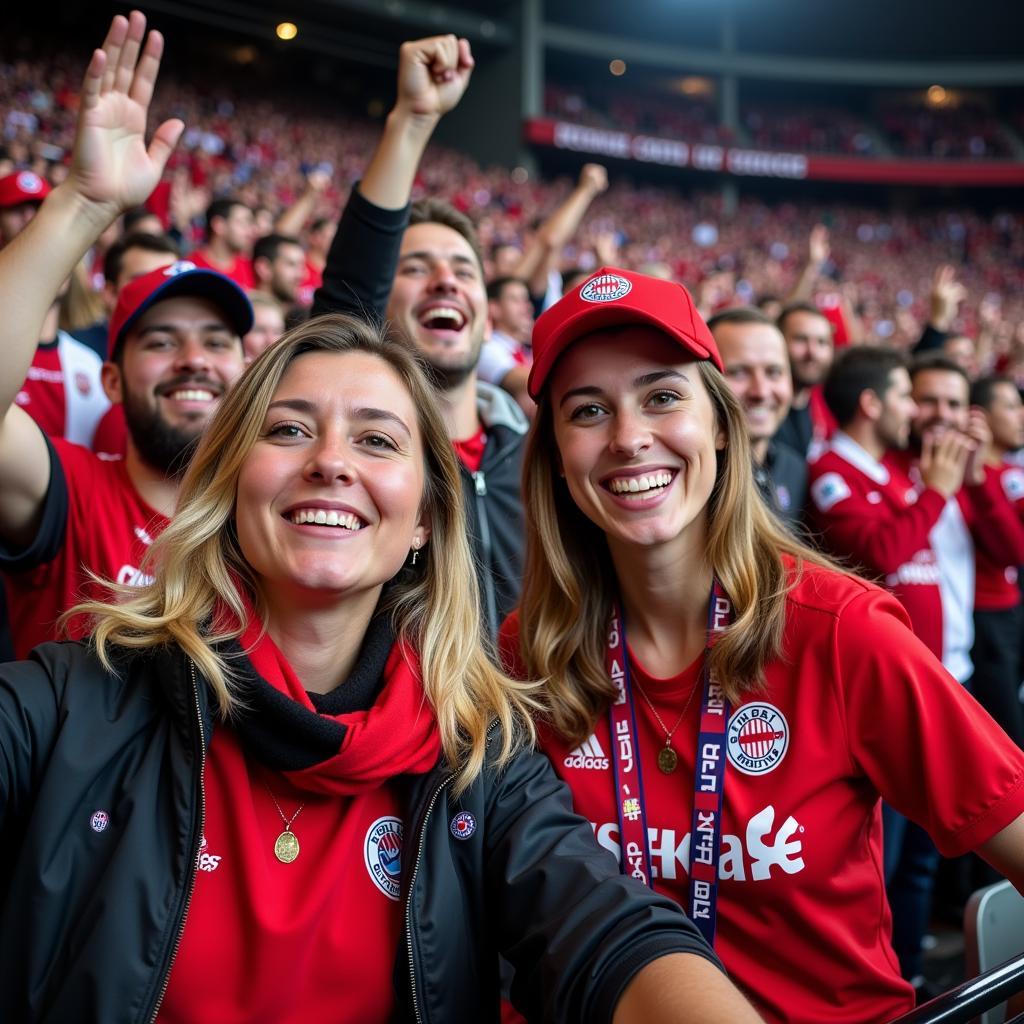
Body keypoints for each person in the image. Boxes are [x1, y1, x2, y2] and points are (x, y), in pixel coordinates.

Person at [500, 265, 1024, 1024]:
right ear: (553, 452)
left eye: (662, 396)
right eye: (587, 411)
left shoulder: (844, 632)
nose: (629, 437)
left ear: (719, 422)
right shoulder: (528, 654)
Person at [0, 11, 250, 660]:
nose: (194, 360)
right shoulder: (69, 489)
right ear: (110, 379)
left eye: (217, 342)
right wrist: (81, 205)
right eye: (162, 341)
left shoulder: (277, 518)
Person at [313, 33, 526, 638]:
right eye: (415, 267)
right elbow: (347, 298)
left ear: (486, 308)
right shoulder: (354, 463)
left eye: (464, 271)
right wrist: (411, 122)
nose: (444, 282)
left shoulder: (545, 457)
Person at [707, 307, 805, 529]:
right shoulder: (690, 483)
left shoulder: (795, 469)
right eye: (739, 372)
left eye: (773, 372)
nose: (760, 391)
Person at [969, 374, 1024, 747]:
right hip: (982, 619)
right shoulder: (966, 476)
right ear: (981, 417)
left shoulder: (1012, 473)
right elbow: (1016, 550)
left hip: (1012, 609)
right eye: (1010, 406)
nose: (1021, 415)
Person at [773, 301, 836, 457]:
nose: (812, 352)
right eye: (801, 339)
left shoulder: (831, 407)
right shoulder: (758, 409)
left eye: (822, 342)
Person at [189, 195, 257, 289]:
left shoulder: (251, 269)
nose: (250, 231)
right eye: (242, 223)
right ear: (218, 225)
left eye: (250, 224)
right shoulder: (190, 267)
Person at [252, 232, 307, 307]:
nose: (301, 275)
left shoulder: (299, 314)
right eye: (291, 264)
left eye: (301, 267)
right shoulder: (242, 314)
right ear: (264, 268)